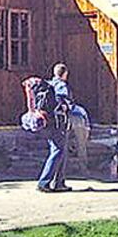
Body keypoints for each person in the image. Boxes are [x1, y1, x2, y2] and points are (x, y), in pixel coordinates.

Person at [37, 63, 74, 193]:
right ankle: (44, 182)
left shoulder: (48, 84)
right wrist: (68, 107)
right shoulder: (62, 86)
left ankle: (59, 182)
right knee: (58, 151)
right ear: (65, 74)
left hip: (47, 122)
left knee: (60, 150)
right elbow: (66, 103)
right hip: (58, 123)